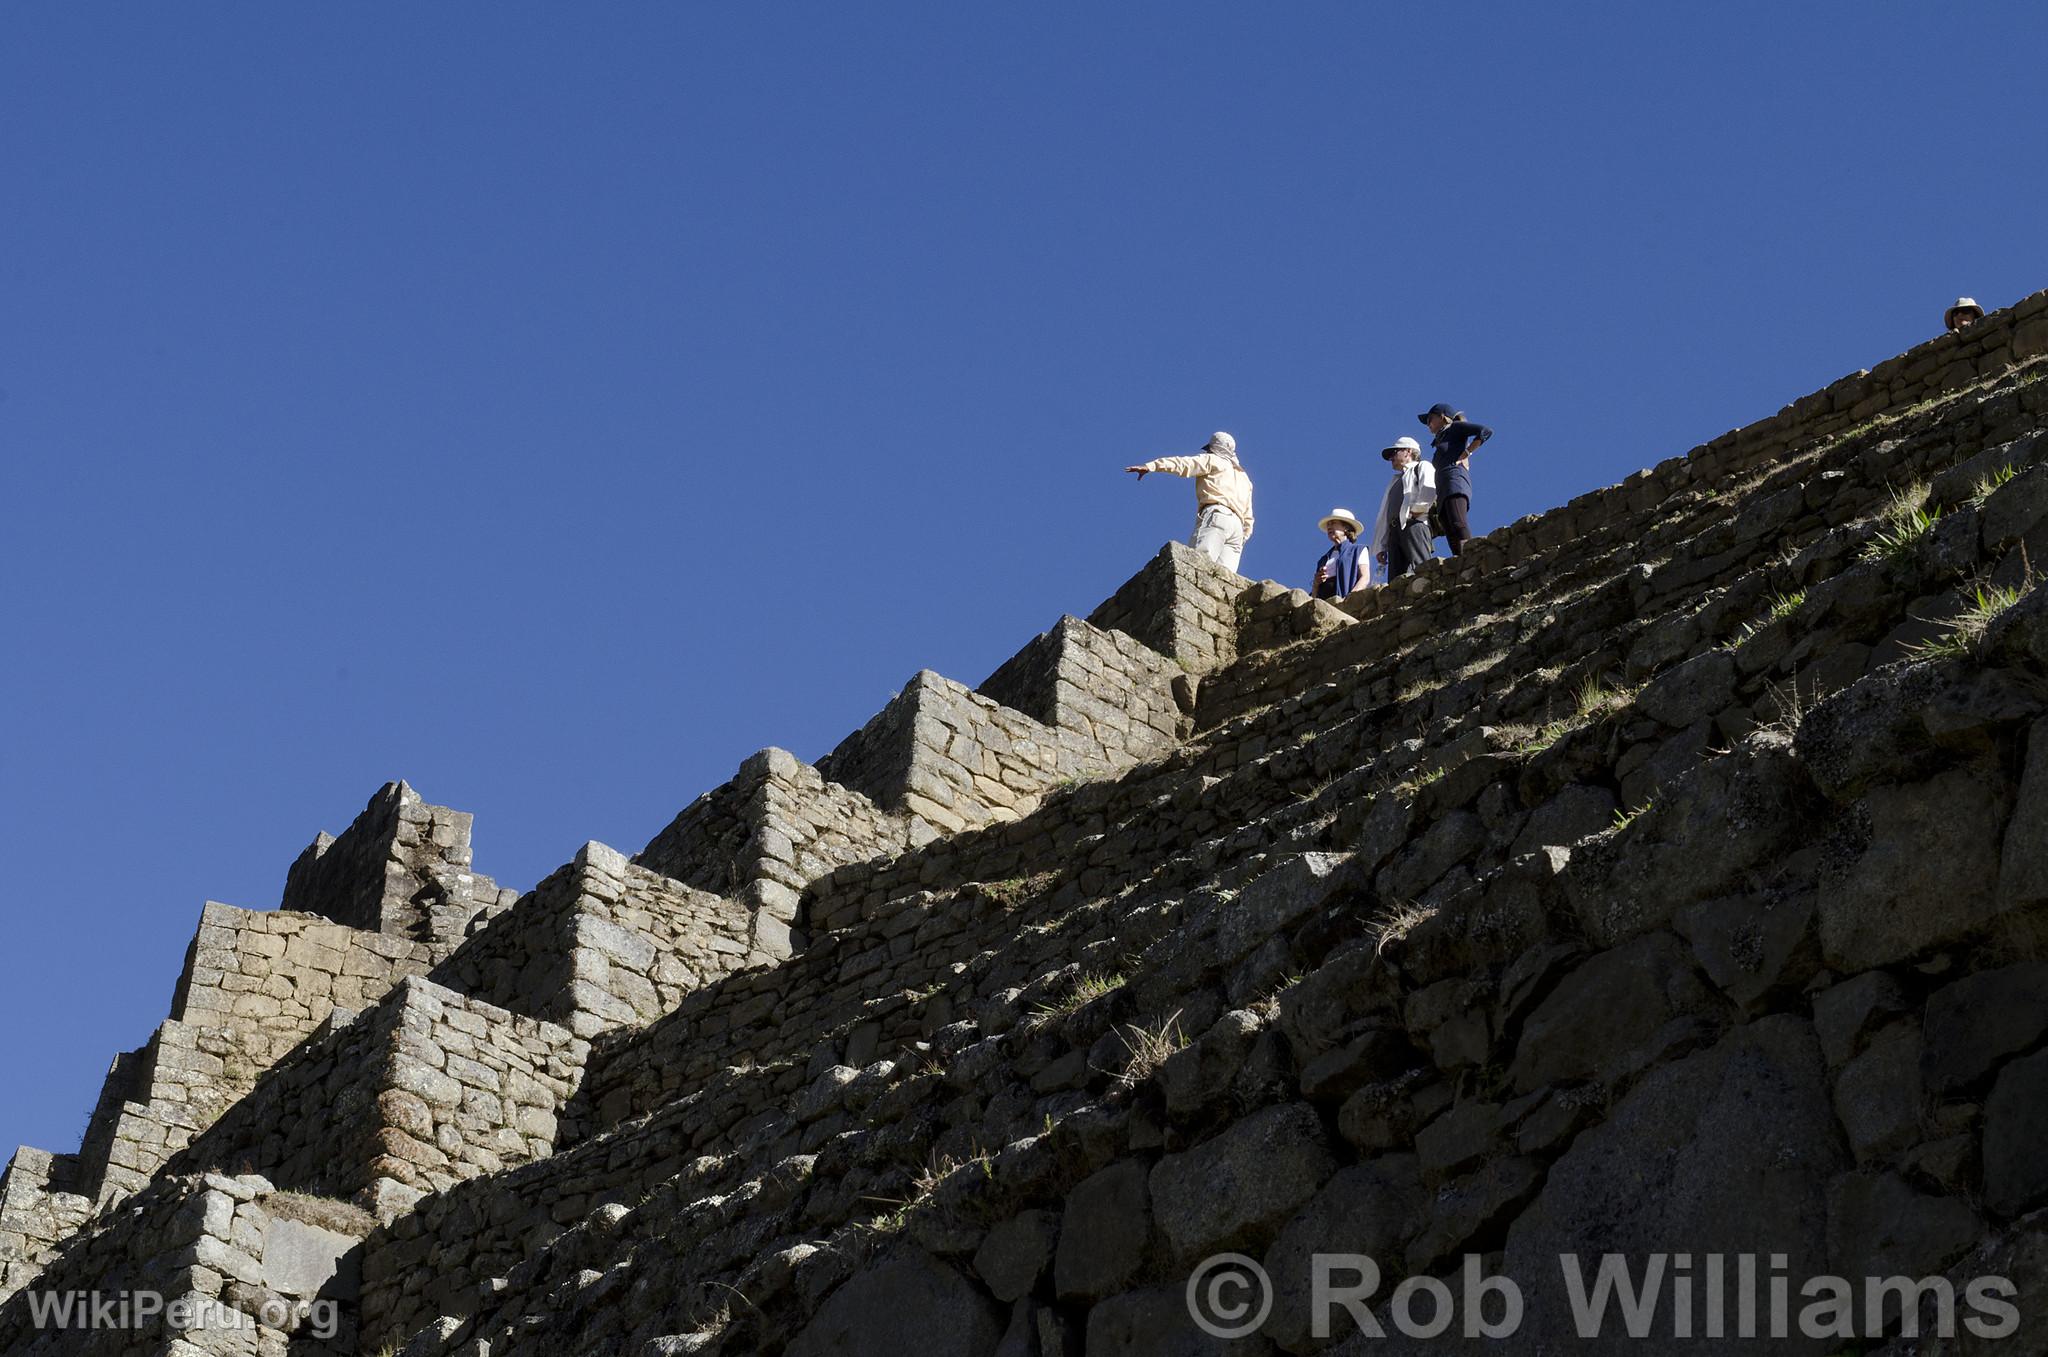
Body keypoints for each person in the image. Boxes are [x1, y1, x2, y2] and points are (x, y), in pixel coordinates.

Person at [1125, 432, 1254, 572]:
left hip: (1218, 515)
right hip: (1238, 529)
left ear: (1214, 447)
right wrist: (1242, 536)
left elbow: (1183, 464)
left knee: (1198, 566)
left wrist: (1152, 466)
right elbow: (1249, 517)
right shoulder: (1245, 479)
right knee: (1226, 577)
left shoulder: (1213, 460)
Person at [1418, 403, 1492, 557]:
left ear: (1442, 416)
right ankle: (1459, 560)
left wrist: (1467, 452)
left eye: (1430, 419)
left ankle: (1471, 557)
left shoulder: (1455, 428)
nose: (1428, 424)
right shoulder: (1441, 440)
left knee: (1457, 521)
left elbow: (1485, 431)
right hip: (1443, 487)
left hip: (1454, 480)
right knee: (1448, 527)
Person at [1372, 437, 1436, 581]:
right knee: (1396, 578)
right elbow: (1386, 515)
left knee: (1422, 566)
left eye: (1394, 452)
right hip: (1395, 530)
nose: (1391, 458)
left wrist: (1416, 511)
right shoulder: (1394, 481)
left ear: (1408, 451)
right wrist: (1381, 545)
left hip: (1414, 523)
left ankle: (1429, 593)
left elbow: (1429, 489)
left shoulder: (1422, 466)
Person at [1311, 508, 1367, 601]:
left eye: (1333, 523)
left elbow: (1365, 577)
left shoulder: (1358, 550)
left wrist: (1349, 599)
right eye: (1328, 524)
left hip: (1344, 603)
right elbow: (1314, 594)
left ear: (1346, 527)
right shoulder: (1323, 559)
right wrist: (1316, 583)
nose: (1329, 526)